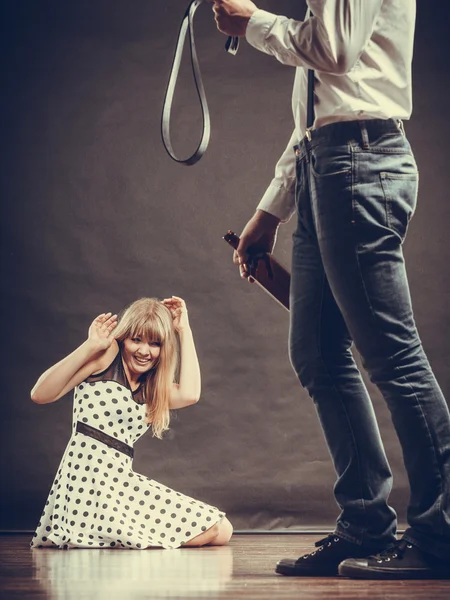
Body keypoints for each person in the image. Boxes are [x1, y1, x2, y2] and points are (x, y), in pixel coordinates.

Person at [209, 0, 450, 580]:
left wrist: (252, 22)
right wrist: (269, 213)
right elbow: (315, 118)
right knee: (316, 352)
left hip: (360, 164)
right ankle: (365, 523)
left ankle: (440, 536)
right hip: (331, 163)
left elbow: (335, 51)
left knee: (394, 358)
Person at [30, 296, 233, 549]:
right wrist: (90, 346)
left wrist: (184, 330)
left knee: (221, 529)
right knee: (213, 530)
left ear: (163, 349)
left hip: (120, 483)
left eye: (155, 343)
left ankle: (127, 541)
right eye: (136, 339)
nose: (144, 351)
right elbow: (40, 394)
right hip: (86, 478)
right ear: (124, 337)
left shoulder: (152, 389)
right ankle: (125, 541)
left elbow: (190, 394)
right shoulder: (106, 358)